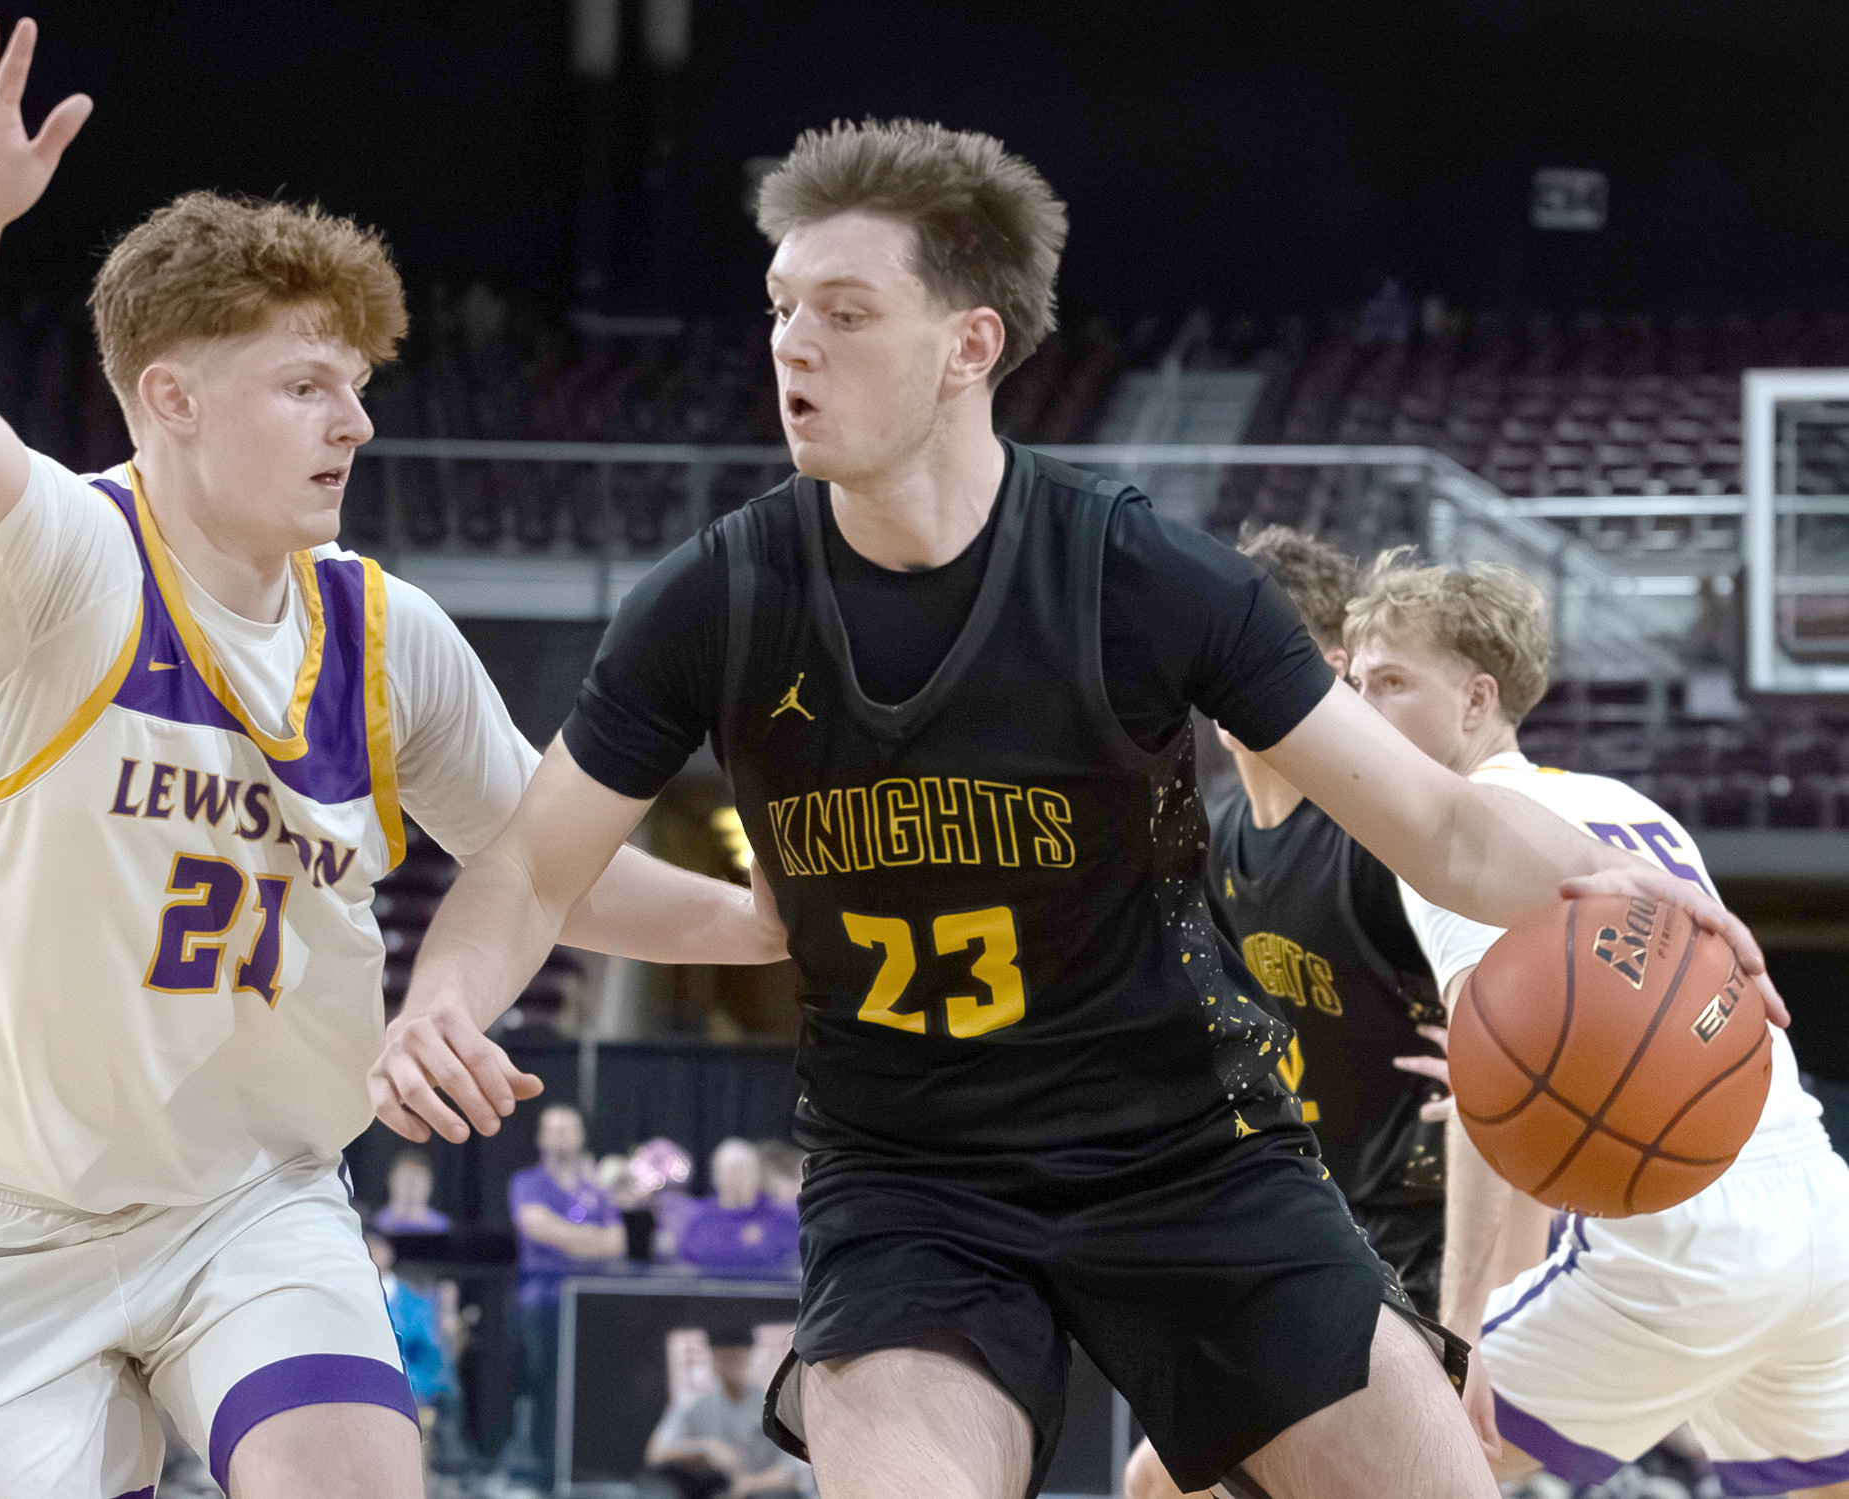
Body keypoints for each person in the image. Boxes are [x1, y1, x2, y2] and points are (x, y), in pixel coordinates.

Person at [372, 118, 1780, 1499]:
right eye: (782, 307)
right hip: (910, 1181)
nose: (792, 345)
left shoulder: (1139, 577)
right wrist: (444, 995)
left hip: (1188, 1149)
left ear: (968, 343)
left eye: (845, 313)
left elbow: (1446, 824)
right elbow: (529, 866)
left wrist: (1626, 879)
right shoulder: (713, 601)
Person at [0, 20, 782, 1499]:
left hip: (251, 1199)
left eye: (357, 384)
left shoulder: (385, 631)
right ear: (172, 396)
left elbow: (547, 861)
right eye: (307, 384)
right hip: (2, 1219)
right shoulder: (66, 560)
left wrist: (760, 921)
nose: (354, 420)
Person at [1345, 550, 1849, 1499]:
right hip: (1819, 1216)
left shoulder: (1470, 831)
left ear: (1476, 698)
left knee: (1297, 1473)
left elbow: (1499, 1101)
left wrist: (1463, 1331)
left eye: (1392, 682)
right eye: (1355, 683)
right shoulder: (1623, 803)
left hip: (1679, 1236)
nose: (1359, 709)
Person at [1121, 526, 1449, 1499]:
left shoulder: (1375, 836)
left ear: (1327, 668)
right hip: (1314, 1228)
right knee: (1158, 1482)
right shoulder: (1214, 836)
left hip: (1426, 1234)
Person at [504, 1105, 623, 1488]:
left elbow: (616, 1243)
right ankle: (541, 1473)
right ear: (540, 1137)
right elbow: (536, 1227)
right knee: (545, 1387)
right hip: (544, 1302)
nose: (559, 1137)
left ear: (581, 1136)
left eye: (567, 1129)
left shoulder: (596, 1189)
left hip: (593, 1305)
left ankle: (585, 1470)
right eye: (552, 1130)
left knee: (591, 1387)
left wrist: (567, 1239)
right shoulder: (527, 1182)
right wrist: (589, 1239)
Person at [646, 1326, 809, 1499]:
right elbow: (656, 1452)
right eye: (724, 1357)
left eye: (736, 1356)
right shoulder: (696, 1404)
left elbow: (796, 1467)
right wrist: (705, 1448)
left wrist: (750, 1484)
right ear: (713, 1357)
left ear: (748, 1354)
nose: (731, 1364)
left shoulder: (772, 1402)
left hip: (765, 1493)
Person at [364, 1226, 472, 1476]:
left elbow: (426, 1342)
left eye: (375, 1247)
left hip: (412, 1375)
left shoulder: (413, 1297)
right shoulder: (352, 1294)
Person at [675, 1140, 799, 1278]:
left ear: (757, 1174)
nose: (736, 1179)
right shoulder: (700, 1220)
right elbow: (688, 1264)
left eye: (743, 1171)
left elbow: (791, 1264)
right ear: (716, 1177)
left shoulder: (782, 1219)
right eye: (730, 1171)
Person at [376, 1148, 452, 1235]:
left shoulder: (443, 1226)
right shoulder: (375, 1222)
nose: (411, 1185)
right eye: (405, 1177)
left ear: (430, 1185)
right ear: (391, 1180)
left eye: (418, 1179)